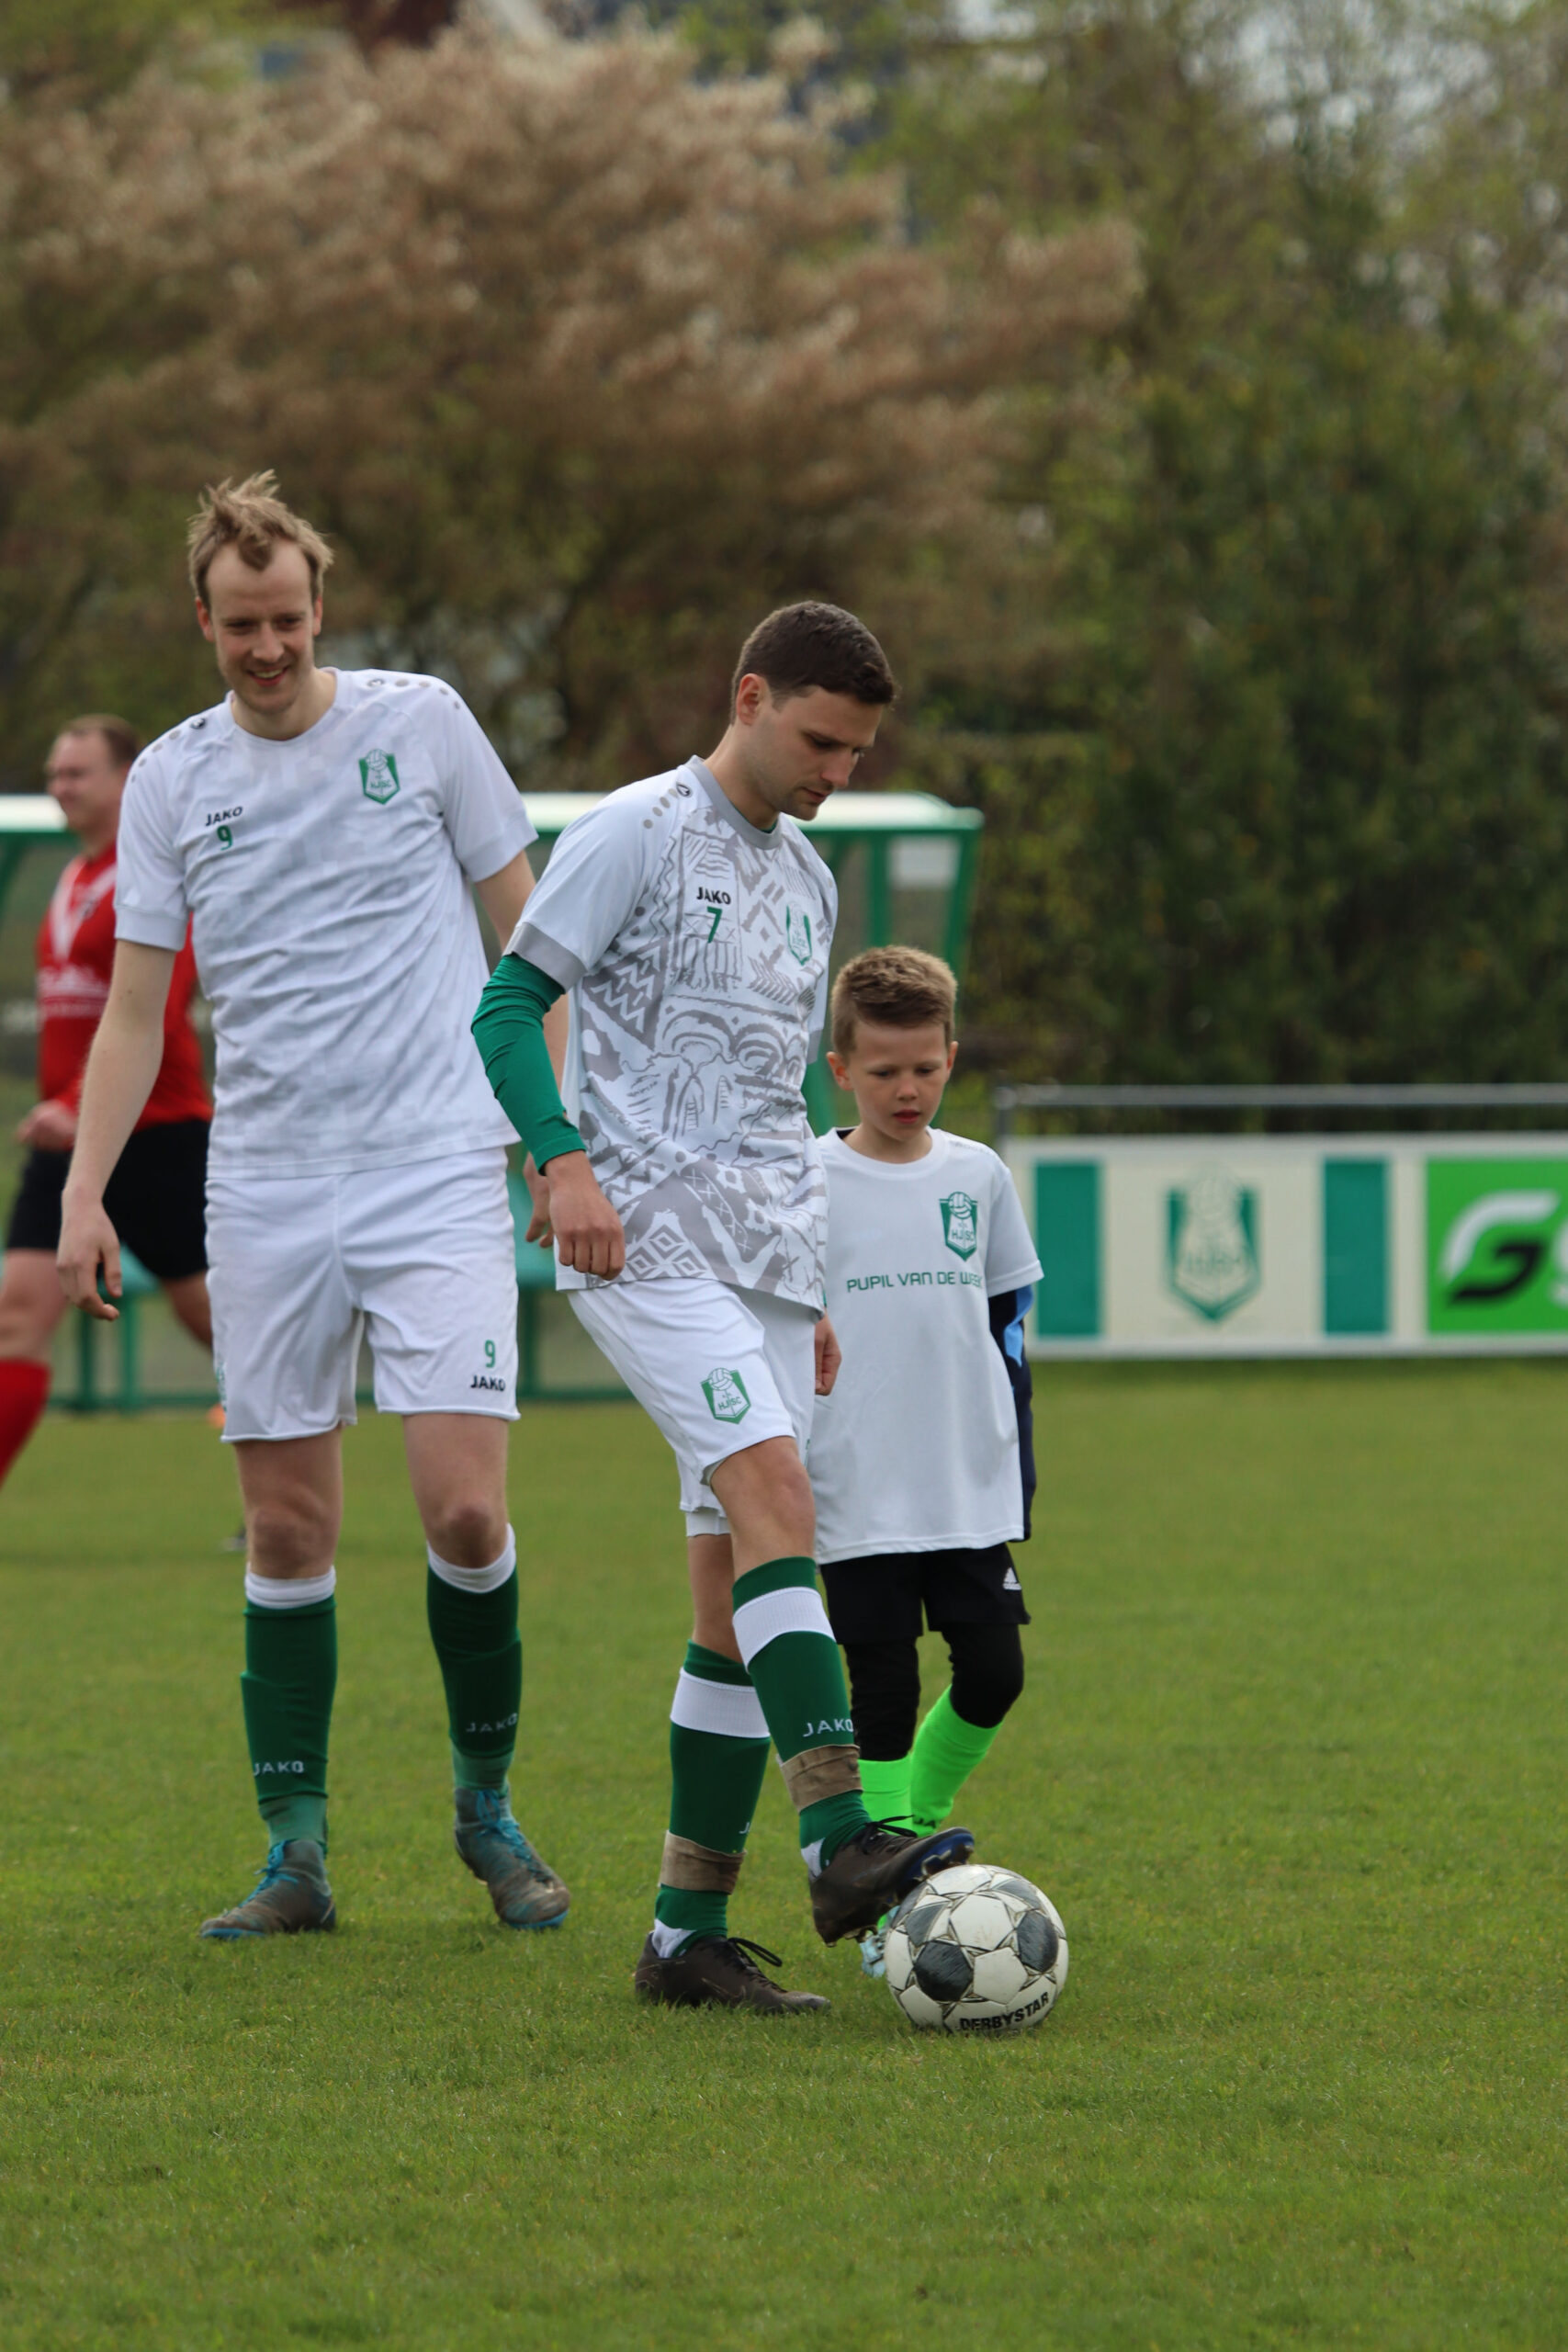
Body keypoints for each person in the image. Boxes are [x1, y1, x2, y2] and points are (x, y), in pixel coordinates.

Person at [57, 472, 569, 1942]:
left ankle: (486, 1809)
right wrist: (85, 1191)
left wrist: (554, 1142)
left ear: (319, 606)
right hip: (266, 1184)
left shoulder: (425, 725)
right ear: (202, 621)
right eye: (241, 625)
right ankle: (295, 1854)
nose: (268, 646)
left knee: (465, 1509)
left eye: (286, 618)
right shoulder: (171, 780)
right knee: (284, 1534)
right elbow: (138, 1011)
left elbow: (529, 945)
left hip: (435, 1164)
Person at [472, 600, 976, 2016]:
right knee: (776, 1502)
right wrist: (560, 1161)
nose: (837, 772)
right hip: (641, 1241)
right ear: (747, 698)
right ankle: (838, 1836)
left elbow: (770, 1098)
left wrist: (808, 1282)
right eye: (820, 741)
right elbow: (506, 1009)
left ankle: (682, 1936)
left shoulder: (808, 878)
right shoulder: (632, 831)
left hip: (764, 1266)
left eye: (857, 752)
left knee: (728, 1602)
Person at [809, 945, 1042, 1978]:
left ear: (951, 1056)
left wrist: (1015, 1463)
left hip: (963, 1480)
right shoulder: (807, 1178)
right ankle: (886, 1903)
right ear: (840, 1070)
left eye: (925, 1068)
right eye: (883, 1071)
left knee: (995, 1671)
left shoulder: (977, 1174)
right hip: (855, 1481)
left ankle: (913, 1824)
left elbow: (1007, 1328)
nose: (906, 1089)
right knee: (884, 1689)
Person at [0, 718, 212, 1492]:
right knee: (16, 1318)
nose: (60, 787)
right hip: (69, 1140)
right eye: (54, 774)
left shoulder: (153, 874)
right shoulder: (72, 876)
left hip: (158, 1135)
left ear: (128, 780)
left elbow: (157, 1011)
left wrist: (74, 1099)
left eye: (77, 773)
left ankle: (293, 1480)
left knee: (222, 1324)